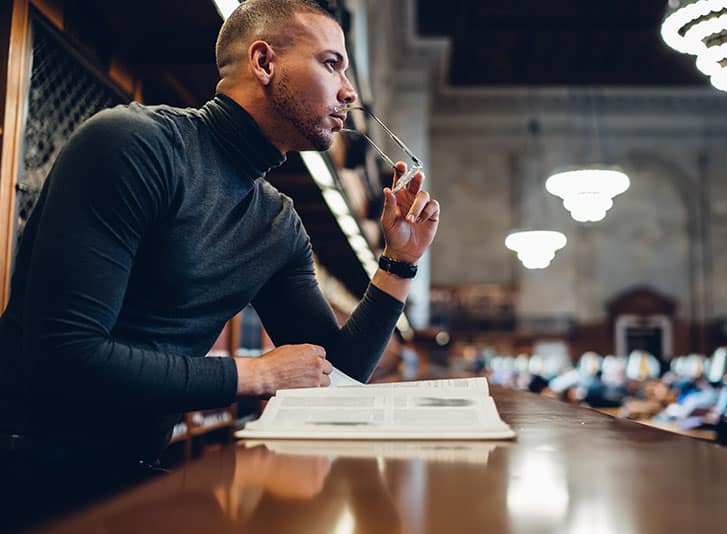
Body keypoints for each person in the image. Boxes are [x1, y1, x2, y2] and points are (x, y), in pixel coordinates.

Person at [0, 0, 439, 524]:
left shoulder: (277, 223)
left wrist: (399, 262)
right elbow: (65, 356)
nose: (349, 91)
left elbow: (336, 375)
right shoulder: (133, 144)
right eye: (330, 63)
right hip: (24, 471)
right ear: (263, 61)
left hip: (131, 475)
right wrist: (252, 374)